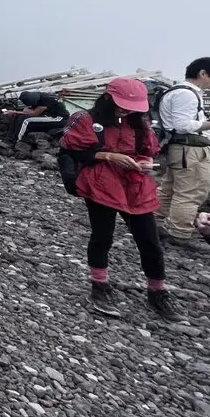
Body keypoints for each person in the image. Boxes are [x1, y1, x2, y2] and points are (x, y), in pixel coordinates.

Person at [60, 77, 183, 321]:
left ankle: (158, 291)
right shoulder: (87, 120)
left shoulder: (141, 125)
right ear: (107, 98)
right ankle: (100, 286)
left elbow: (148, 151)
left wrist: (147, 163)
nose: (126, 110)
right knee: (102, 236)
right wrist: (108, 156)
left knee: (150, 240)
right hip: (100, 184)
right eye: (121, 104)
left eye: (131, 106)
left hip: (135, 185)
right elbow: (72, 150)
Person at [156, 57, 210, 249]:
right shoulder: (187, 95)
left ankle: (159, 223)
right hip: (190, 151)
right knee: (190, 192)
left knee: (171, 189)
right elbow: (182, 126)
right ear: (203, 73)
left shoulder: (178, 92)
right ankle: (180, 233)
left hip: (181, 150)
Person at [2, 90, 69, 144]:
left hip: (59, 118)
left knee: (25, 119)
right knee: (18, 116)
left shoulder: (47, 99)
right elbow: (33, 110)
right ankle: (10, 136)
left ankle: (17, 140)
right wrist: (17, 113)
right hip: (47, 114)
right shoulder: (38, 96)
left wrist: (14, 112)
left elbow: (34, 113)